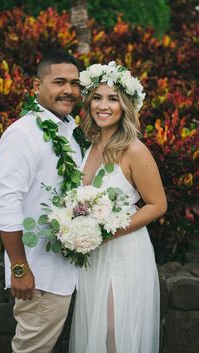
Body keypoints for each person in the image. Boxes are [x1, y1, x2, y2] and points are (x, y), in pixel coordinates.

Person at [69, 61, 167, 353]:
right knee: (94, 330)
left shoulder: (134, 149)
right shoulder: (90, 144)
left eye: (112, 99)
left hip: (123, 251)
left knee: (114, 331)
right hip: (93, 253)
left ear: (125, 106)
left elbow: (158, 204)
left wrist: (107, 232)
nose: (103, 105)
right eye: (97, 98)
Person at [0, 51, 82, 353]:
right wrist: (19, 267)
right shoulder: (22, 134)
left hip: (64, 268)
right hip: (39, 272)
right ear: (36, 86)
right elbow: (6, 203)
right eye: (58, 82)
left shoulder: (70, 129)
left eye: (74, 83)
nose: (68, 90)